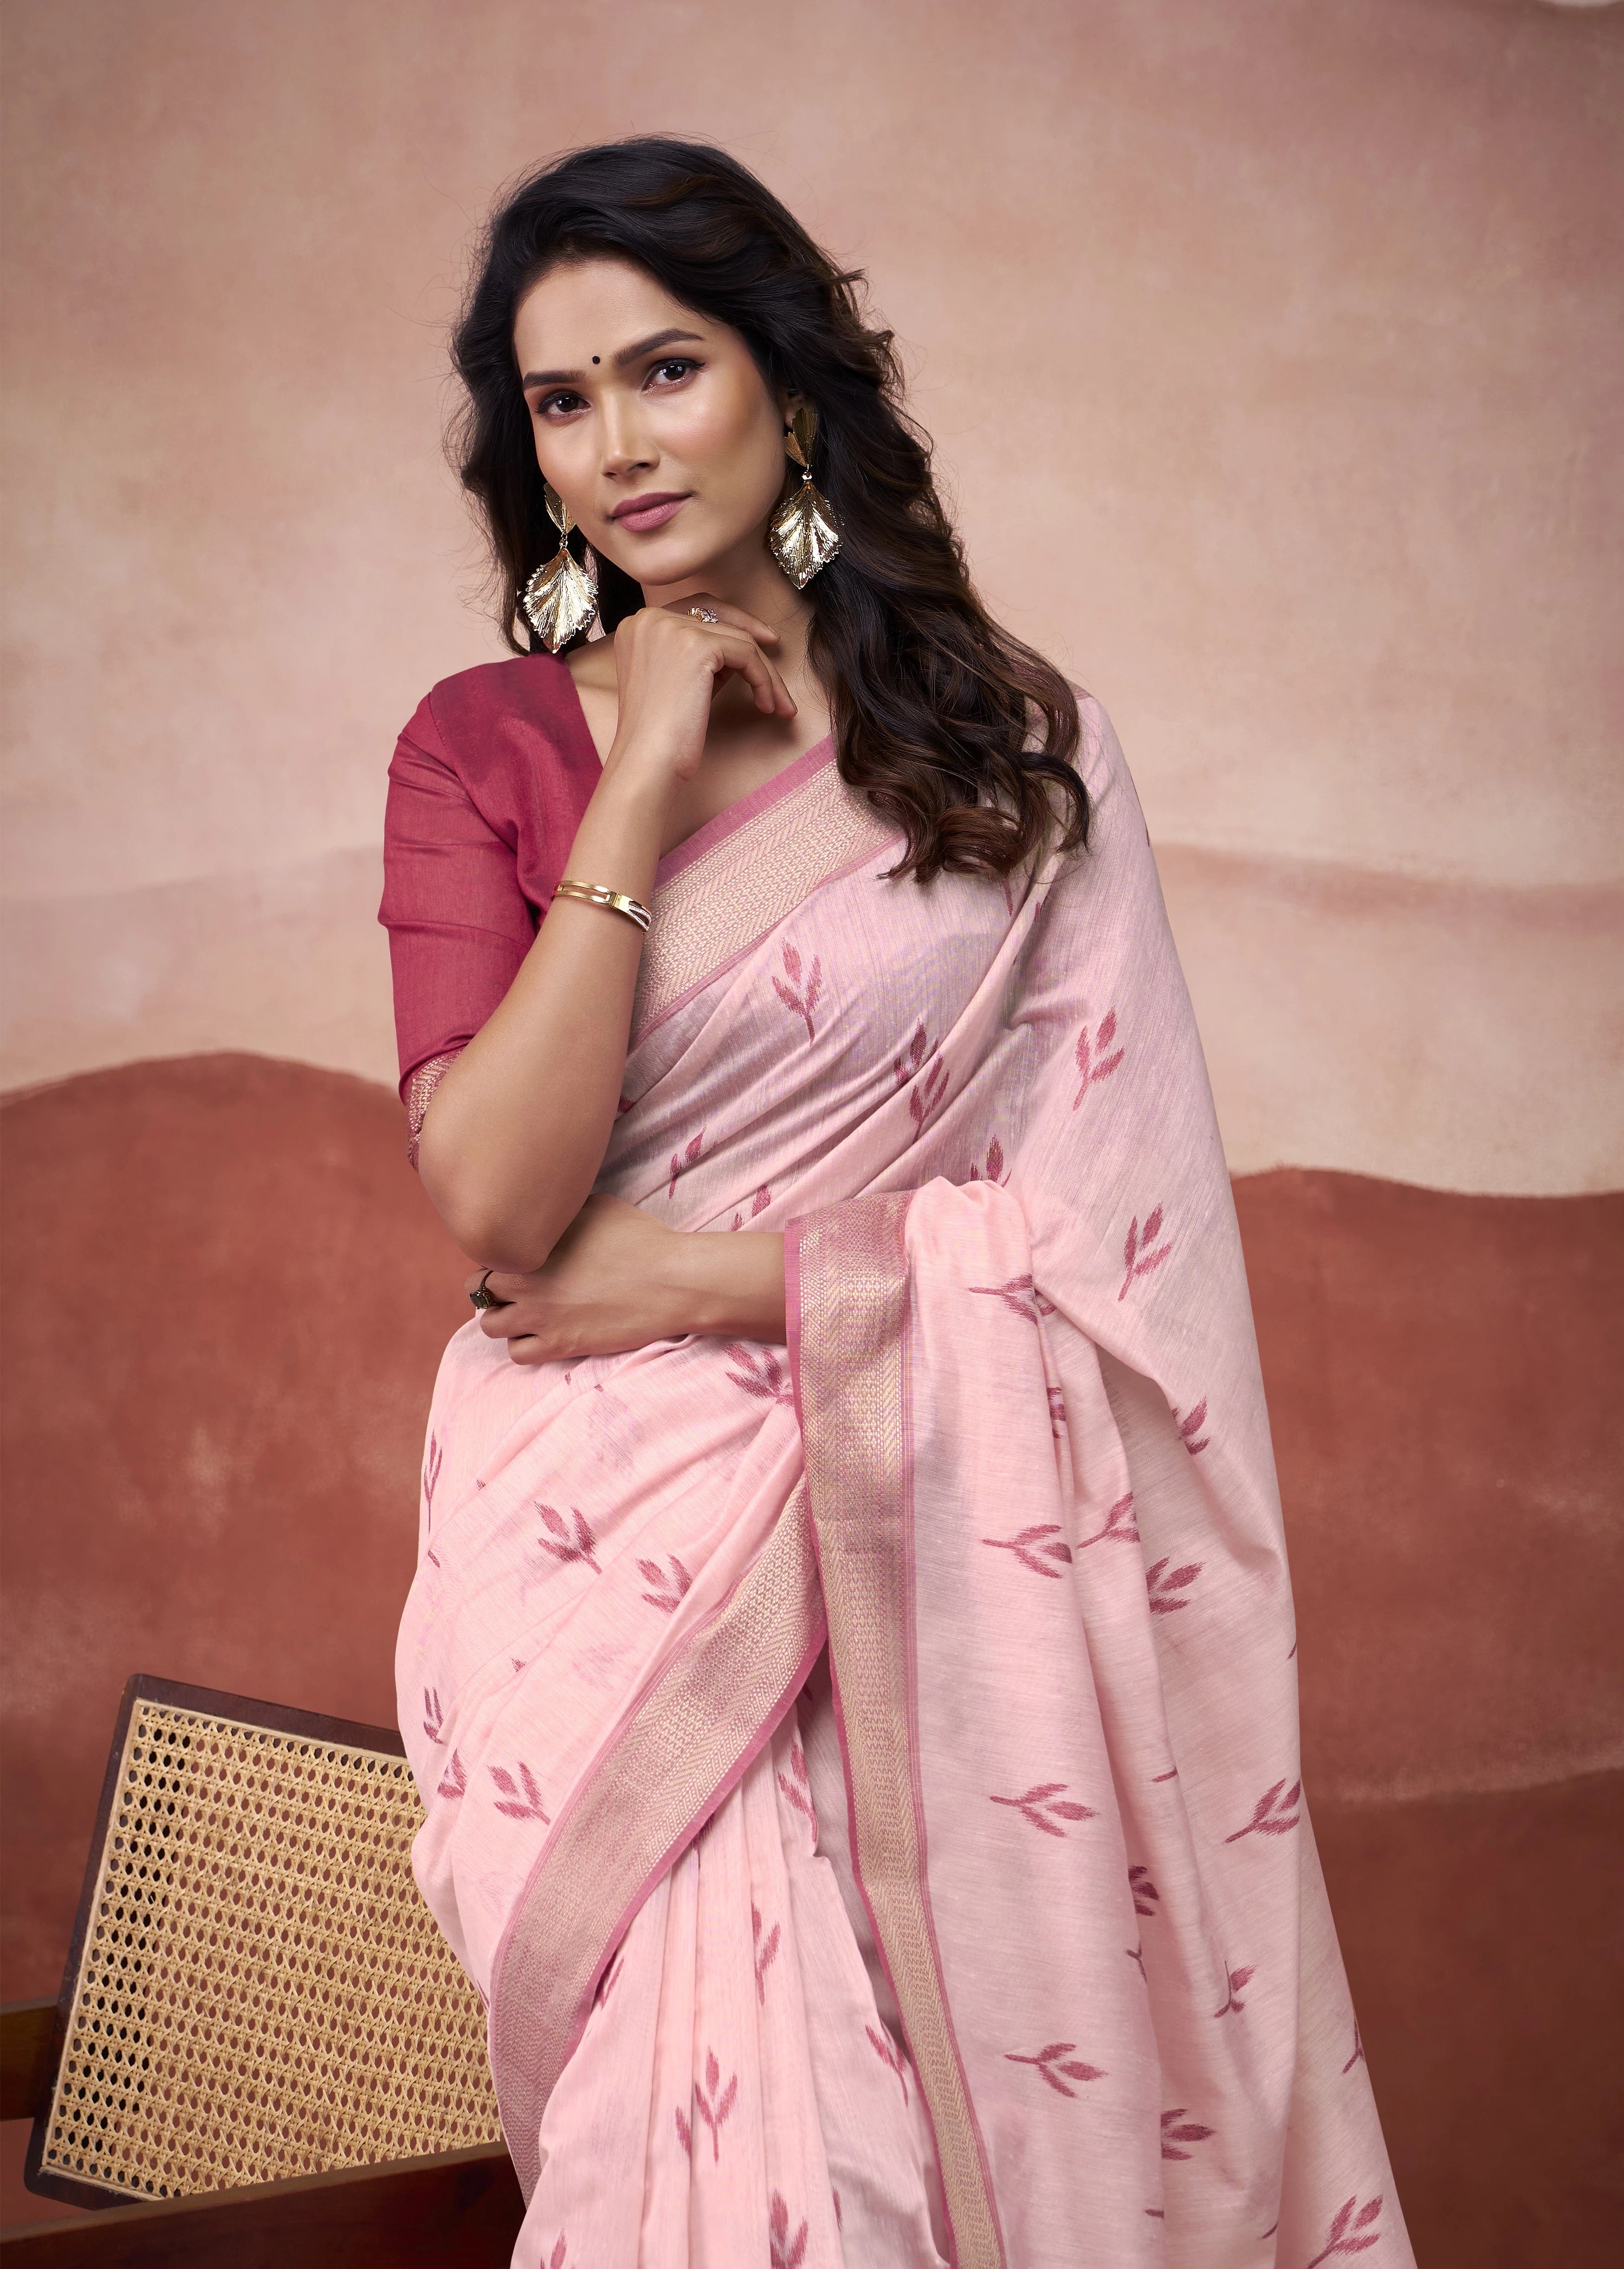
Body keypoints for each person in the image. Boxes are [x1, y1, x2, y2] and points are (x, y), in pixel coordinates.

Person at [381, 137, 1412, 2269]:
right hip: (600, 1559)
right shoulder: (484, 745)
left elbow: (1111, 1253)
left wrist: (723, 1277)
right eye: (560, 402)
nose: (613, 444)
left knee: (913, 2166)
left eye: (664, 371)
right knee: (718, 2134)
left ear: (790, 383)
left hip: (940, 1540)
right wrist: (641, 776)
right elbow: (497, 1198)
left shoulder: (1015, 754)